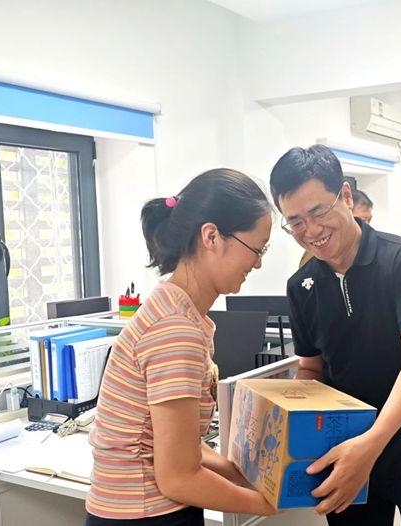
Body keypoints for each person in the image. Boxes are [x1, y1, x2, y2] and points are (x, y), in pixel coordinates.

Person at [269, 145, 401, 526]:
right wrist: (285, 414)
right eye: (295, 222)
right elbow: (312, 368)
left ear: (345, 196)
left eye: (318, 212)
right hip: (345, 442)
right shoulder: (301, 286)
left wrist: (371, 444)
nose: (311, 231)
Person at [86, 169, 277, 525]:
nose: (258, 263)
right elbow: (179, 477)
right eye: (256, 249)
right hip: (145, 516)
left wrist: (245, 476)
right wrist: (269, 504)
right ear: (211, 236)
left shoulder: (176, 311)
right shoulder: (175, 330)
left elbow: (185, 448)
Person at [299, 183, 373, 268]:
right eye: (361, 220)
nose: (366, 226)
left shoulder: (373, 249)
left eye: (369, 220)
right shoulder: (316, 254)